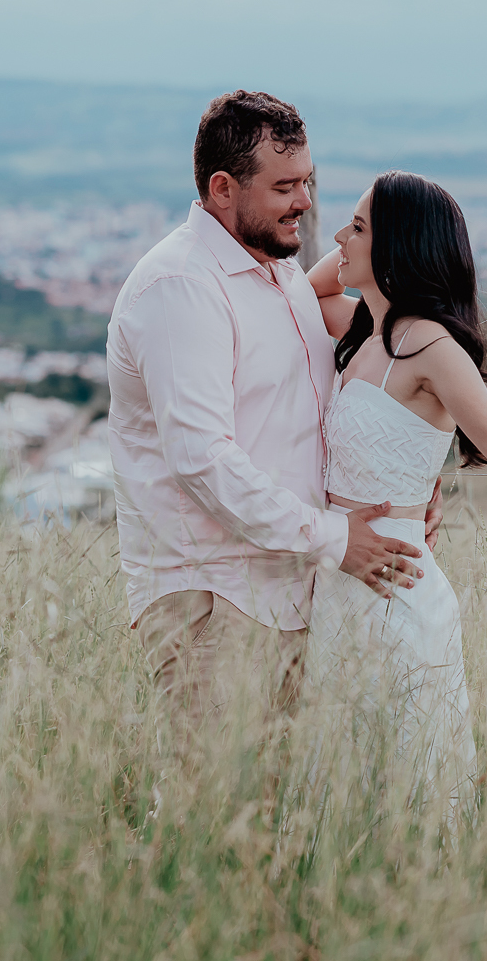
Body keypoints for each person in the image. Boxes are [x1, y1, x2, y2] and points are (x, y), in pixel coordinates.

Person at [106, 92, 436, 744]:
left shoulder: (279, 276)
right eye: (284, 186)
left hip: (290, 587)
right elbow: (202, 460)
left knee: (274, 819)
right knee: (216, 814)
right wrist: (338, 541)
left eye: (306, 182)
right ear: (223, 188)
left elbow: (319, 405)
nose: (304, 203)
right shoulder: (181, 287)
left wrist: (407, 485)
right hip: (210, 599)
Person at [305, 171, 487, 816]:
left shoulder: (428, 345)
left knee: (401, 777)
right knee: (337, 775)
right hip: (337, 578)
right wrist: (350, 255)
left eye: (359, 227)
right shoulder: (360, 336)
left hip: (395, 583)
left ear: (400, 247)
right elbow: (304, 293)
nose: (340, 237)